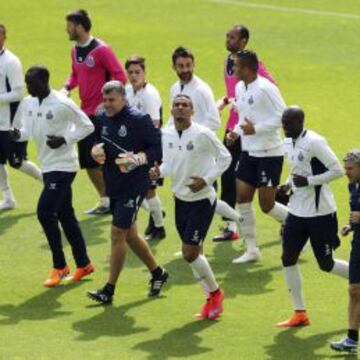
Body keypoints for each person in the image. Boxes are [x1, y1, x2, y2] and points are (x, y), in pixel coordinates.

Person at [12, 65, 95, 287]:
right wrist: (17, 134)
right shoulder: (29, 102)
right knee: (66, 215)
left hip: (64, 167)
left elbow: (87, 126)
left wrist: (65, 140)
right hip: (48, 166)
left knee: (45, 212)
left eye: (32, 83)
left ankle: (60, 266)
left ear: (44, 81)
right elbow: (28, 131)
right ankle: (84, 264)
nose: (28, 87)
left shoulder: (62, 103)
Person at [87, 81, 168, 304]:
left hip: (134, 184)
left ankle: (109, 289)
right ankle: (157, 272)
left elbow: (158, 147)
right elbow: (98, 141)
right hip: (114, 183)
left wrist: (139, 159)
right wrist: (95, 151)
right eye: (105, 100)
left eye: (112, 100)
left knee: (117, 234)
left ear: (123, 99)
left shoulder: (138, 120)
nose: (107, 104)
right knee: (130, 235)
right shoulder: (101, 117)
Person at [150, 94, 230, 319]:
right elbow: (169, 163)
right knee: (195, 254)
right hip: (180, 200)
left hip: (202, 200)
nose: (180, 108)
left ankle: (216, 293)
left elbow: (225, 158)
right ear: (172, 110)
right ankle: (210, 301)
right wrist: (159, 172)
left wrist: (206, 180)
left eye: (185, 105)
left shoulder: (203, 134)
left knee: (189, 252)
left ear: (192, 111)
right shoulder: (166, 134)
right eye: (176, 105)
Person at [276, 106, 348, 327]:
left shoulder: (316, 142)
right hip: (297, 212)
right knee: (288, 258)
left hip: (320, 214)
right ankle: (300, 313)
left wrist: (308, 182)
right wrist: (288, 185)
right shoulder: (287, 142)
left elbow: (338, 170)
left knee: (325, 264)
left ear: (300, 122)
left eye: (288, 122)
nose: (284, 126)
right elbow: (297, 169)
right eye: (283, 122)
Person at [169, 46, 243, 234]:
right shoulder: (174, 89)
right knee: (205, 197)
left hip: (201, 152)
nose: (185, 69)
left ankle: (194, 245)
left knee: (202, 196)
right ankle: (240, 222)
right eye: (180, 66)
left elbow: (214, 120)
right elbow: (173, 120)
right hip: (183, 151)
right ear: (174, 67)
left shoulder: (202, 90)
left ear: (194, 65)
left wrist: (193, 134)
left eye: (188, 65)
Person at [62, 9, 127, 215]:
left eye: (69, 25)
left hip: (101, 115)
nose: (67, 29)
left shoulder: (101, 50)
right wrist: (66, 87)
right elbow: (75, 74)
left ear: (79, 26)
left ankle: (114, 199)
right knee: (88, 161)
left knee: (102, 159)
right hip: (84, 114)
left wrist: (107, 102)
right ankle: (107, 199)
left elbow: (120, 77)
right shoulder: (74, 50)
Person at [214, 25, 276, 242]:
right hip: (233, 127)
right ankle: (231, 225)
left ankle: (287, 214)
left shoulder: (253, 65)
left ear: (243, 42)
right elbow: (233, 93)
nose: (228, 40)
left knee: (255, 182)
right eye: (227, 36)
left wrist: (253, 115)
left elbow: (270, 87)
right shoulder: (227, 62)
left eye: (232, 37)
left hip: (249, 131)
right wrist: (225, 102)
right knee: (228, 174)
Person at [227, 50, 288, 263]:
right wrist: (236, 131)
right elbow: (244, 117)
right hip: (248, 151)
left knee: (267, 205)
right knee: (242, 198)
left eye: (237, 67)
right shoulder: (239, 87)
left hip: (270, 153)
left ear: (248, 68)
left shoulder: (266, 89)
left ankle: (294, 222)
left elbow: (284, 116)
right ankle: (252, 249)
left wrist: (258, 129)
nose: (233, 70)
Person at [0, 23, 42, 210]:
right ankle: (8, 198)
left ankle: (48, 183)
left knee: (17, 162)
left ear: (4, 37)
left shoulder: (11, 62)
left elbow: (18, 93)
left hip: (10, 122)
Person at [125, 55, 165, 241]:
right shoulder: (127, 91)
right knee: (136, 189)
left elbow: (154, 125)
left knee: (148, 190)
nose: (134, 76)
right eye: (130, 72)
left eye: (137, 72)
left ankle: (159, 227)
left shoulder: (150, 95)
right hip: (134, 148)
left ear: (144, 72)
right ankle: (156, 216)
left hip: (150, 148)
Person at [331, 149, 360, 353]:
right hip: (358, 243)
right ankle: (351, 340)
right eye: (345, 168)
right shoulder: (353, 185)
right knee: (354, 290)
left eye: (350, 168)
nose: (346, 172)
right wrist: (351, 226)